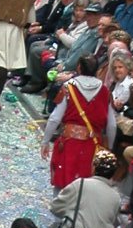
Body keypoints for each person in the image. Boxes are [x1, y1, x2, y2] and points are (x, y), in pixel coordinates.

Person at [43, 59, 115, 191]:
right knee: (86, 186)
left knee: (62, 184)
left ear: (79, 68)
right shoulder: (105, 91)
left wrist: (45, 141)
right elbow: (112, 125)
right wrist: (109, 148)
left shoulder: (68, 87)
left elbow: (54, 118)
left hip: (69, 143)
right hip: (93, 145)